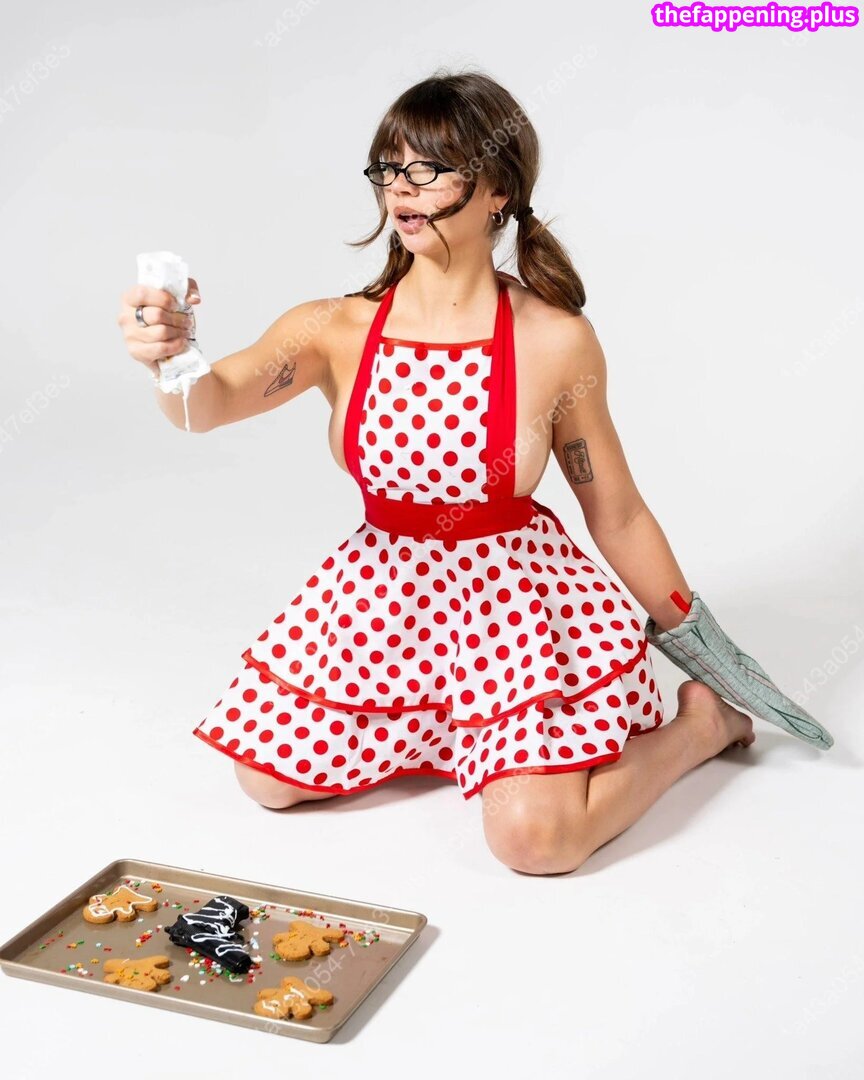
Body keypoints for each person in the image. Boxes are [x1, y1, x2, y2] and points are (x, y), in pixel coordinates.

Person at [117, 70, 754, 875]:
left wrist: (702, 643)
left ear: (498, 191)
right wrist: (171, 357)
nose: (401, 188)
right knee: (267, 781)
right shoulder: (334, 327)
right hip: (385, 600)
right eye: (390, 166)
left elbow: (617, 513)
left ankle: (699, 729)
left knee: (535, 842)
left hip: (511, 613)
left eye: (430, 168)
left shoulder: (556, 339)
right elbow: (205, 407)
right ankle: (444, 731)